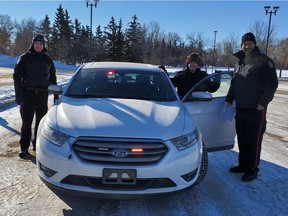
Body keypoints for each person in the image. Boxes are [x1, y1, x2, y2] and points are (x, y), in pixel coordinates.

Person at [225, 32, 278, 181]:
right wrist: (229, 99)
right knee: (242, 138)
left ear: (254, 44)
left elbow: (272, 83)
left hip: (256, 109)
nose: (247, 46)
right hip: (241, 107)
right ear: (242, 46)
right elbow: (234, 83)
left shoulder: (264, 61)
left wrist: (263, 102)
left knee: (254, 140)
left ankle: (252, 169)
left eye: (249, 43)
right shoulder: (239, 63)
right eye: (244, 44)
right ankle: (242, 165)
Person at [13, 34, 57, 158]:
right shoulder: (24, 58)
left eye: (41, 44)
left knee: (41, 122)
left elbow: (53, 77)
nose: (38, 46)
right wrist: (19, 95)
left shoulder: (47, 60)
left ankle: (37, 145)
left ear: (43, 46)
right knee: (26, 122)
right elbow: (17, 77)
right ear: (33, 44)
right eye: (36, 43)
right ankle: (24, 147)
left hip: (42, 95)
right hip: (28, 94)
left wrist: (56, 94)